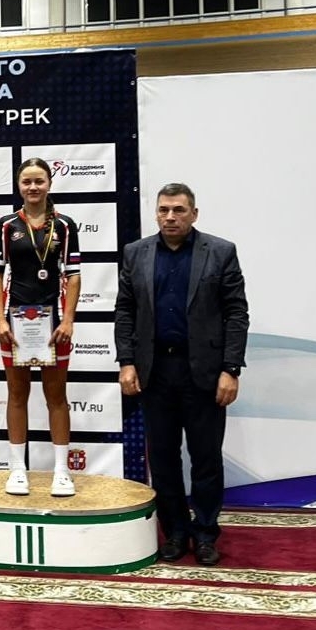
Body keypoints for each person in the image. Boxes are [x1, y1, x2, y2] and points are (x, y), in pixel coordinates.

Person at [114, 182, 249, 566]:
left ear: (194, 213)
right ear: (156, 213)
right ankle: (174, 532)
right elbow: (125, 311)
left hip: (204, 374)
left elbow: (236, 313)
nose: (170, 217)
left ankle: (205, 534)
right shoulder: (136, 253)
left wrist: (230, 369)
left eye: (178, 210)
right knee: (163, 458)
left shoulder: (220, 252)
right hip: (155, 373)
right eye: (163, 210)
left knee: (206, 458)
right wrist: (127, 362)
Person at [0, 157, 82, 497]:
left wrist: (68, 319)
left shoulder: (65, 225)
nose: (33, 187)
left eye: (39, 181)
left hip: (53, 322)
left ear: (49, 184)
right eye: (27, 181)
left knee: (56, 396)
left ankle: (61, 472)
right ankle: (17, 470)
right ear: (18, 185)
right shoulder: (6, 225)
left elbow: (73, 275)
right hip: (15, 320)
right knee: (17, 394)